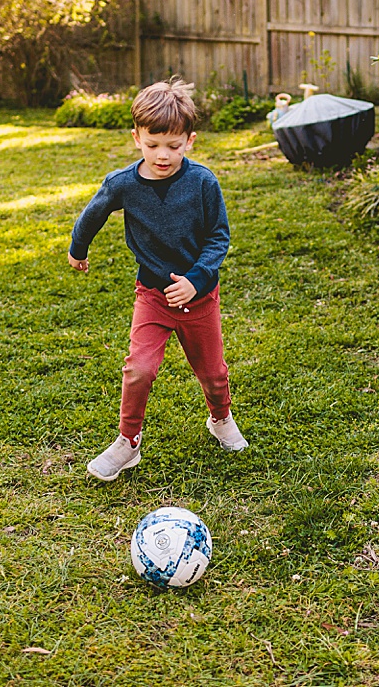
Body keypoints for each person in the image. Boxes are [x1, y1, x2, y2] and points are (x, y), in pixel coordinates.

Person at [68, 79, 248, 482]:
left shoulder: (203, 182)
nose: (162, 155)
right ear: (136, 138)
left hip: (199, 298)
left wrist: (197, 279)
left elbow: (219, 236)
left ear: (190, 141)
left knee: (212, 372)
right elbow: (93, 214)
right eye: (152, 145)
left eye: (174, 145)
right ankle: (127, 442)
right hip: (151, 295)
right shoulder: (123, 184)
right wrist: (78, 249)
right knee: (139, 369)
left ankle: (220, 419)